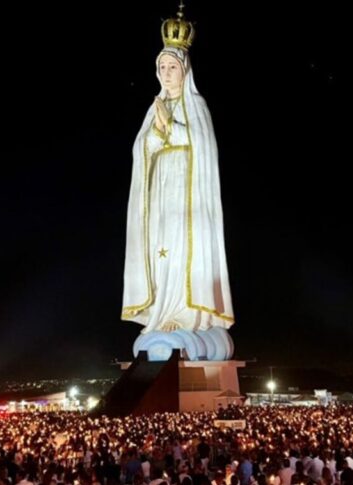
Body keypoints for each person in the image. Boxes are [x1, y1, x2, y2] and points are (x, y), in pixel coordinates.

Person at [122, 5, 234, 361]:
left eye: (173, 67)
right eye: (162, 68)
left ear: (185, 70)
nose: (167, 73)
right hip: (161, 196)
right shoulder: (154, 107)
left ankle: (186, 314)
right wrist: (156, 133)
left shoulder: (196, 105)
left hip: (188, 196)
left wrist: (171, 128)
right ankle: (161, 311)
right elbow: (141, 148)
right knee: (161, 251)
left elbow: (203, 147)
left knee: (184, 251)